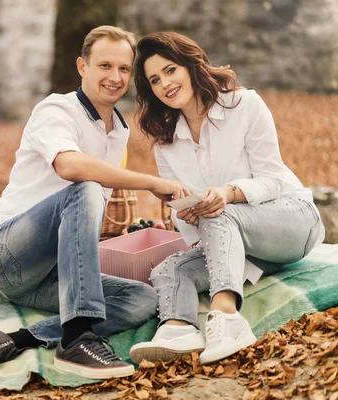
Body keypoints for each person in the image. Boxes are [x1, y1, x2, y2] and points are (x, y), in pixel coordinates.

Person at [0, 26, 191, 380]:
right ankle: (76, 340)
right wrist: (151, 182)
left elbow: (85, 221)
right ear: (82, 66)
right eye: (105, 65)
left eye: (123, 69)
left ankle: (18, 339)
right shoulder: (56, 109)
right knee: (86, 186)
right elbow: (70, 167)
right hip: (6, 254)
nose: (115, 77)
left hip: (51, 276)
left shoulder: (119, 130)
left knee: (142, 299)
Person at [129, 32, 325, 365]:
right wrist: (186, 215)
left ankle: (227, 317)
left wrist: (228, 194)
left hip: (291, 221)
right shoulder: (165, 141)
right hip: (238, 243)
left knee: (221, 212)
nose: (165, 83)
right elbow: (183, 206)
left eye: (170, 70)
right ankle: (178, 328)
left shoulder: (243, 104)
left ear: (190, 66)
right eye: (155, 80)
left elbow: (274, 179)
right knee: (168, 269)